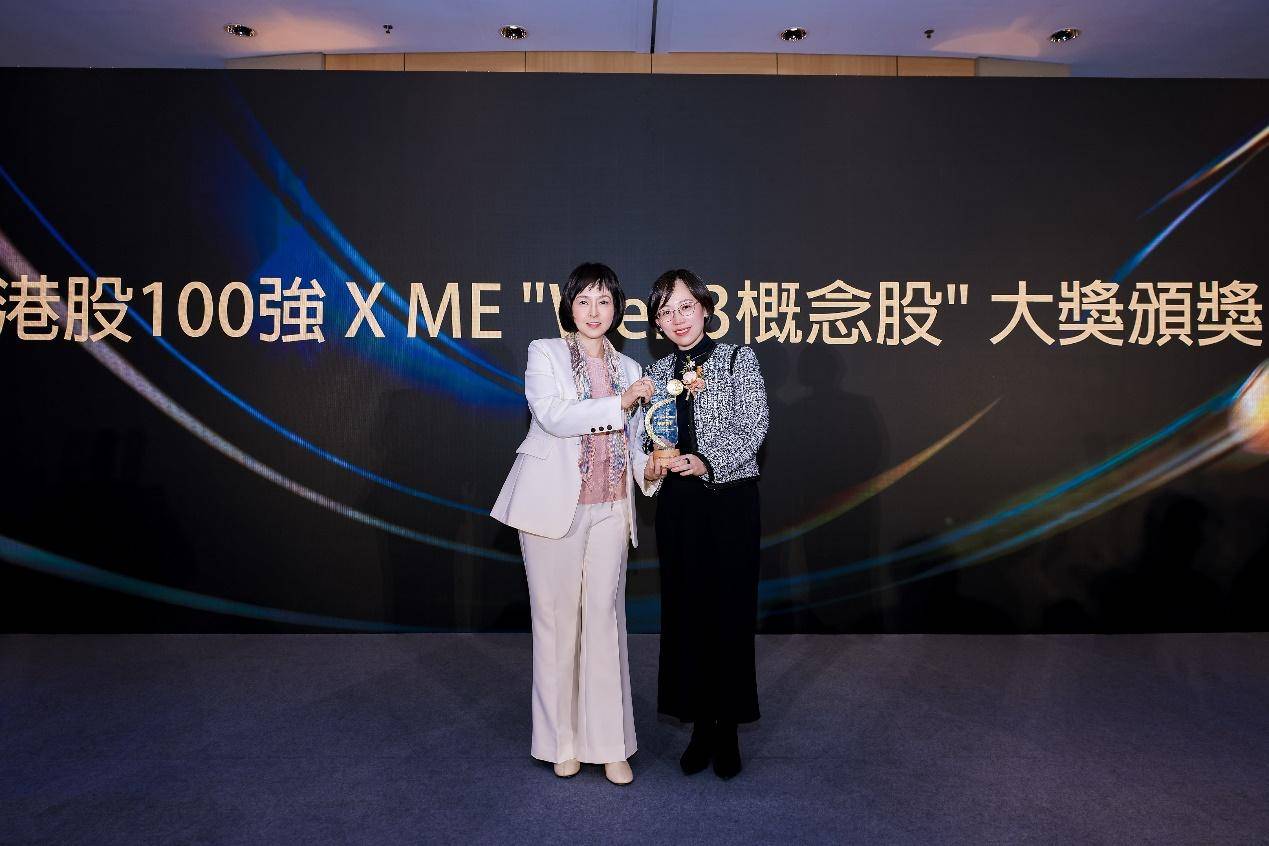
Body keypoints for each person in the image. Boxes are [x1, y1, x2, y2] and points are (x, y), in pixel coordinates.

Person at [491, 262, 657, 785]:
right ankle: (559, 742)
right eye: (584, 300)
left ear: (618, 308)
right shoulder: (545, 353)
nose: (594, 311)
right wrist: (619, 402)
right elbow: (553, 416)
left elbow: (634, 441)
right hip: (551, 508)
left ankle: (609, 745)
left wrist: (650, 470)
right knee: (557, 624)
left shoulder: (630, 367)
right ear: (569, 306)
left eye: (604, 301)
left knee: (604, 622)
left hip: (611, 507)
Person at [641, 268, 770, 779]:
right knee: (686, 615)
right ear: (656, 323)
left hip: (729, 503)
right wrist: (652, 463)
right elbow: (646, 438)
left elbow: (754, 426)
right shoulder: (654, 374)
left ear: (705, 309)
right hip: (680, 510)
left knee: (730, 615)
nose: (677, 318)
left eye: (685, 307)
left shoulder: (739, 359)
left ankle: (728, 727)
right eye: (665, 312)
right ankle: (699, 725)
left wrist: (707, 462)